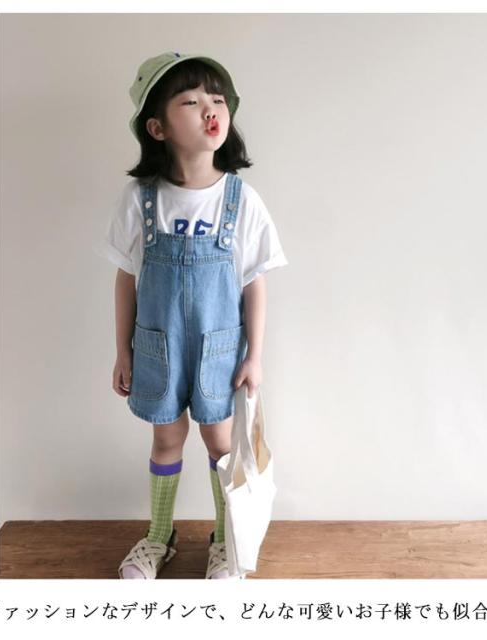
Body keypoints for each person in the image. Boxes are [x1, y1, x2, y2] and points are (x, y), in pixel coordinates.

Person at [94, 52, 288, 579]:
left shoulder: (241, 200)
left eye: (218, 99)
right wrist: (122, 350)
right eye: (191, 101)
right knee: (165, 438)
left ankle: (226, 539)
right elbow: (126, 278)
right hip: (157, 345)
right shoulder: (141, 199)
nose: (210, 109)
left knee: (221, 442)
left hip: (219, 349)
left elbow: (253, 281)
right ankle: (159, 536)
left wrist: (255, 357)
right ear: (157, 127)